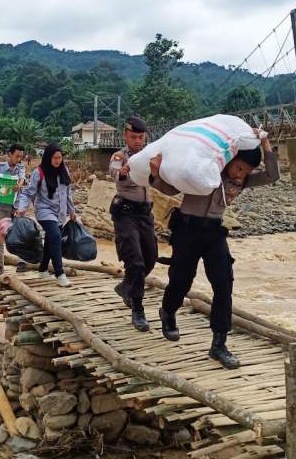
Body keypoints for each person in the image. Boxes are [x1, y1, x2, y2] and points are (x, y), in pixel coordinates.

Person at [150, 132, 279, 369]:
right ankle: (167, 312)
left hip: (214, 233)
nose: (239, 175)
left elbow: (272, 175)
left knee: (223, 284)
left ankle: (219, 344)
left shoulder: (243, 180)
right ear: (230, 160)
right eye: (238, 168)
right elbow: (171, 187)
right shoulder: (203, 170)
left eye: (245, 172)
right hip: (187, 231)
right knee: (181, 280)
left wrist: (264, 142)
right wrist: (156, 173)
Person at [109, 116, 158, 332]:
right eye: (134, 137)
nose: (138, 141)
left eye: (141, 137)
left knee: (151, 257)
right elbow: (114, 171)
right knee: (136, 262)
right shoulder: (120, 156)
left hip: (145, 213)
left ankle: (126, 286)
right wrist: (123, 171)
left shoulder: (151, 156)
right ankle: (137, 309)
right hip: (125, 212)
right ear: (125, 136)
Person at [16, 143, 76, 287]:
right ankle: (60, 273)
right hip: (44, 211)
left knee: (51, 240)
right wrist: (22, 208)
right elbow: (28, 192)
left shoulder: (64, 171)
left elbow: (68, 193)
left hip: (60, 213)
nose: (57, 161)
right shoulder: (39, 172)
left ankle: (43, 269)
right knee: (55, 235)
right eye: (55, 158)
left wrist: (72, 211)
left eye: (60, 158)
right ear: (48, 158)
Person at [0, 144, 27, 273]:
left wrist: (19, 185)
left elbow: (22, 179)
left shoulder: (21, 167)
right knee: (1, 235)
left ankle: (21, 262)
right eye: (17, 156)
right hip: (2, 206)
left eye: (21, 157)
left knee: (19, 234)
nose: (19, 159)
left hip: (17, 206)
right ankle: (0, 265)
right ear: (9, 154)